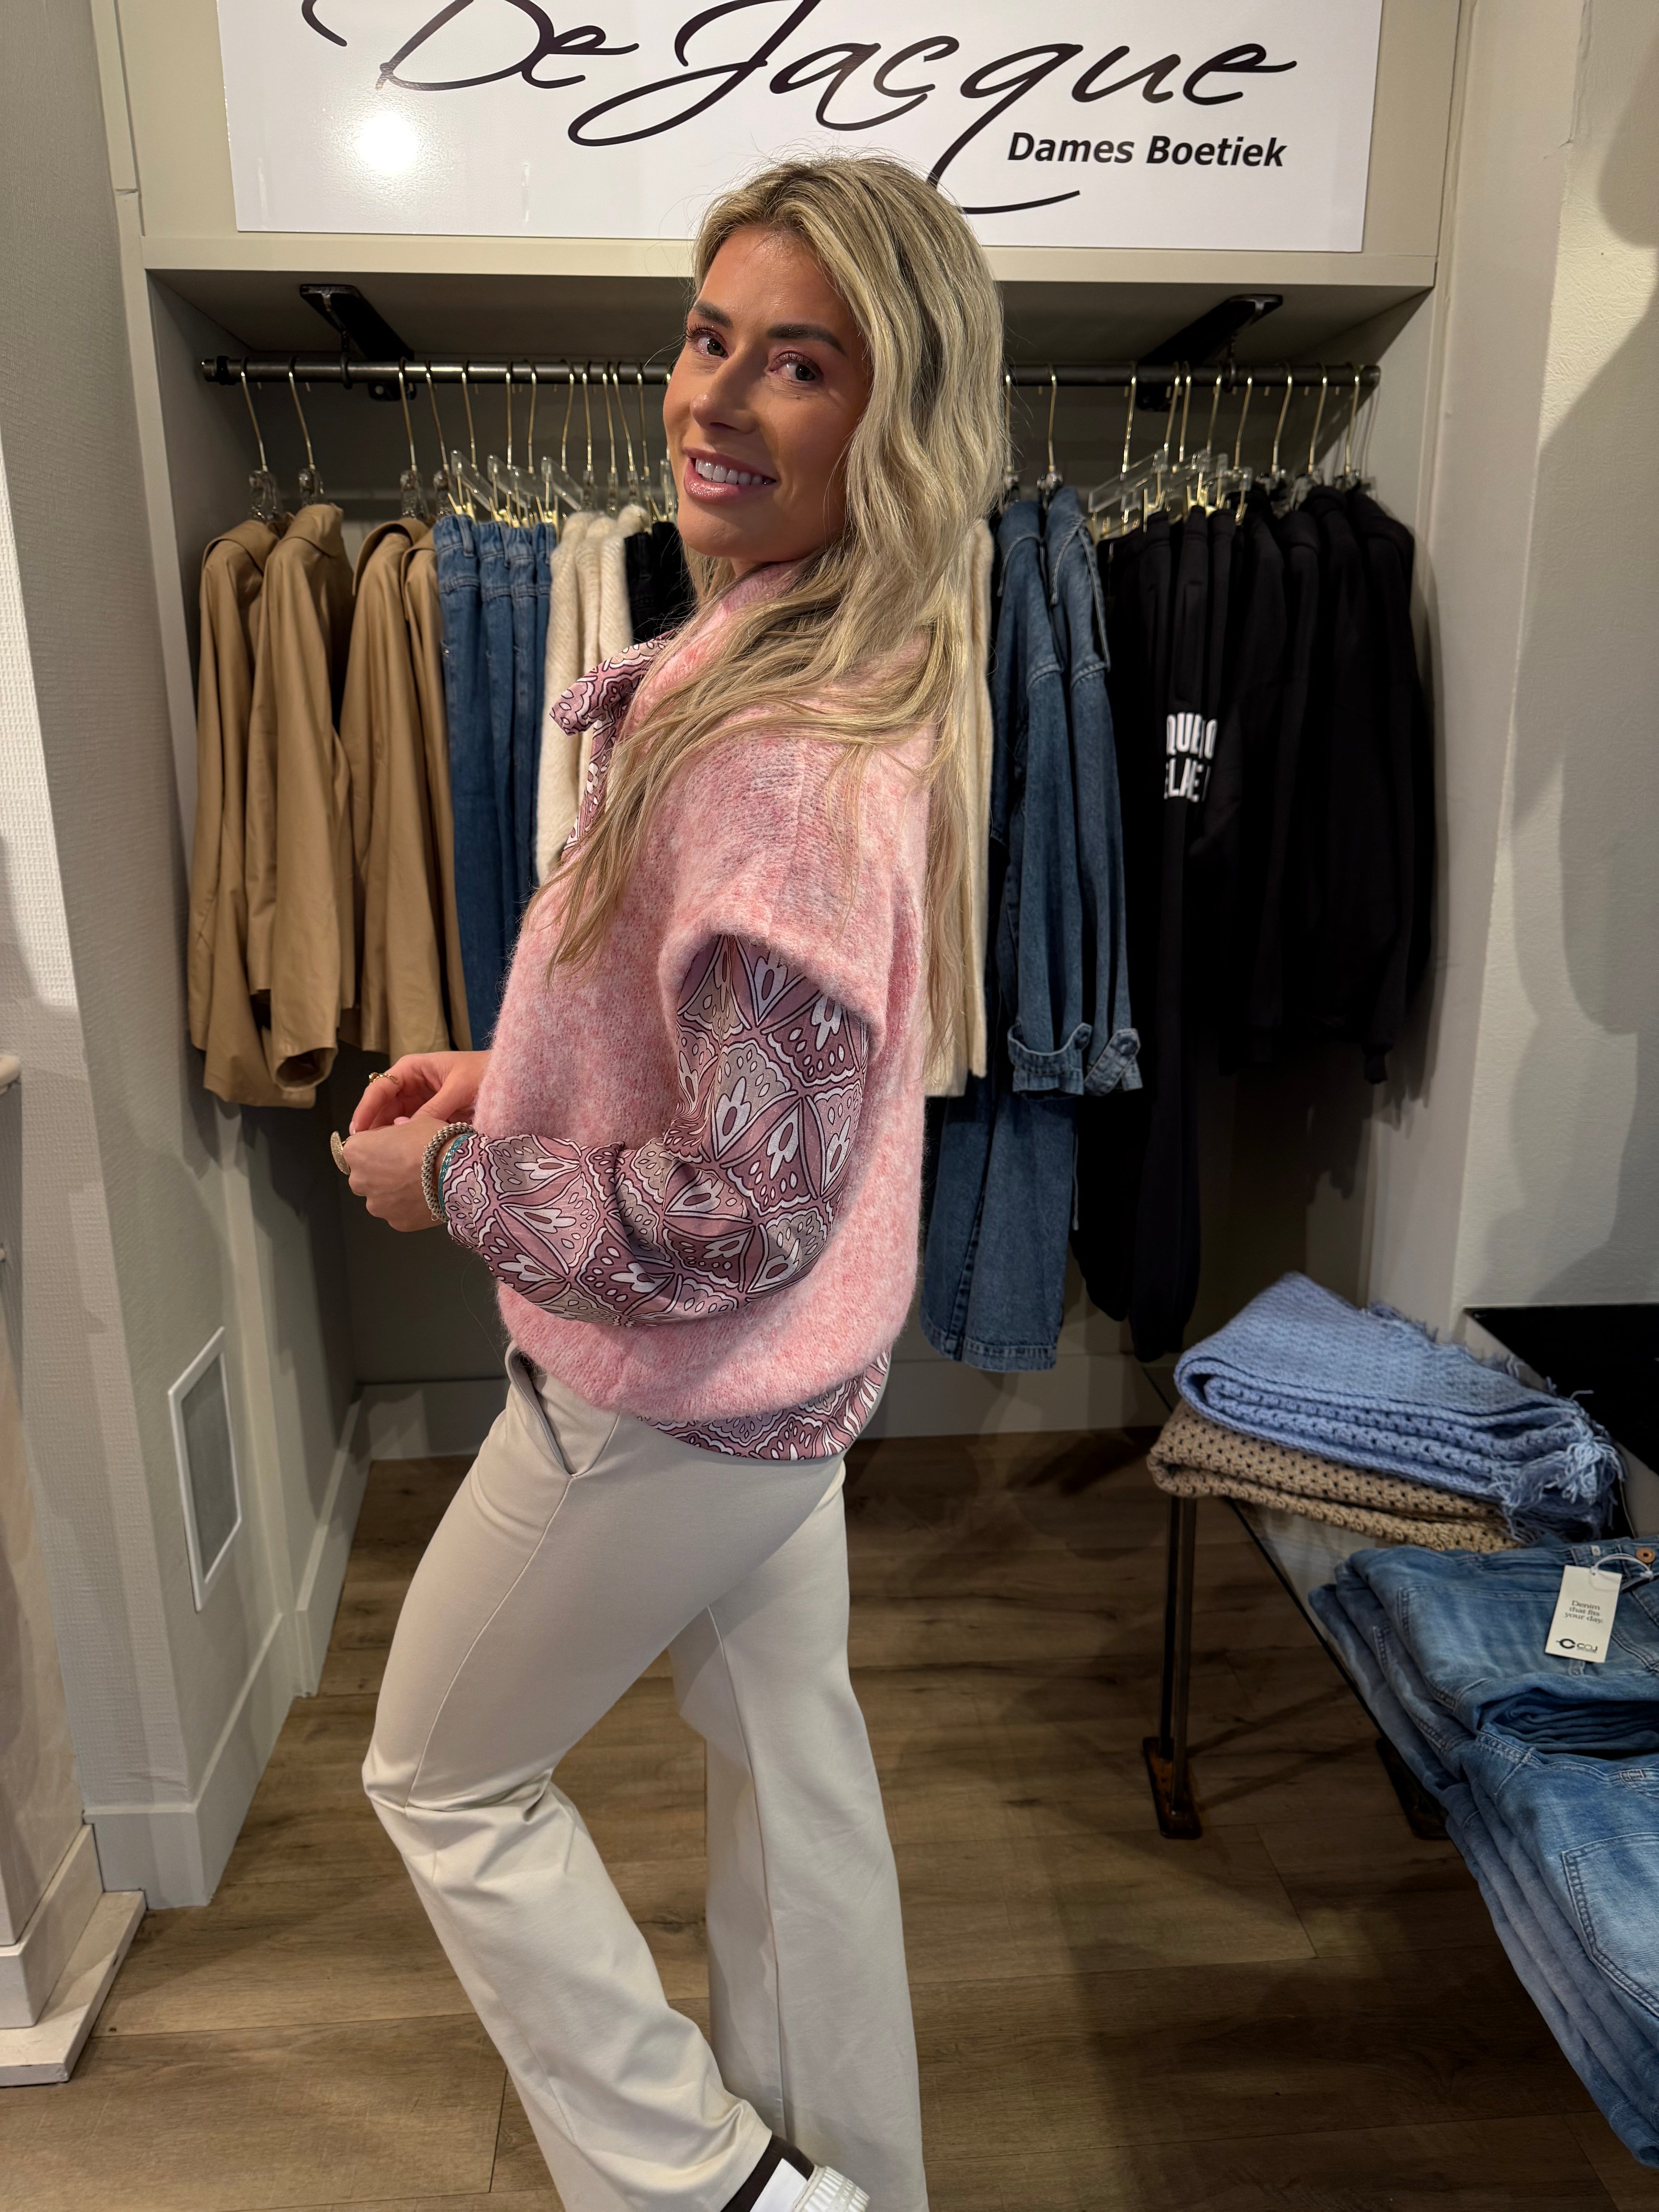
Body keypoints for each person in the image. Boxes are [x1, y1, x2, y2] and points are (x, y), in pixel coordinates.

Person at [341, 153, 1002, 2212]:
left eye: (796, 363)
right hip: (785, 1395)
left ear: (892, 418)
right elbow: (721, 1064)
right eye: (708, 337)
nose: (715, 397)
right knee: (797, 1801)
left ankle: (711, 2188)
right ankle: (852, 2185)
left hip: (667, 1401)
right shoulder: (798, 643)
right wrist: (520, 1078)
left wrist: (459, 1181)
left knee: (442, 1781)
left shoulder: (784, 754)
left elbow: (736, 1209)